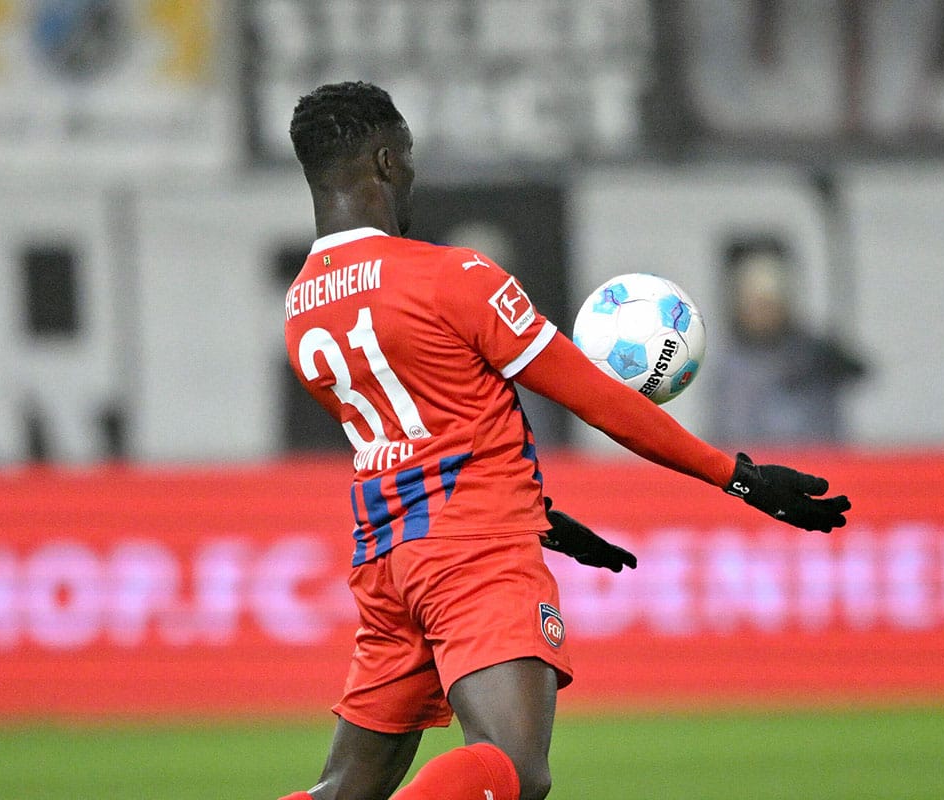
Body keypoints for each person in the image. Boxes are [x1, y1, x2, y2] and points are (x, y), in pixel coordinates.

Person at [278, 82, 850, 800]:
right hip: (472, 552)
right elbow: (595, 395)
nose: (415, 174)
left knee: (343, 789)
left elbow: (424, 433)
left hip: (389, 564)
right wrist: (736, 475)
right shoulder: (450, 277)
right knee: (511, 767)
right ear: (386, 161)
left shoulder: (303, 309)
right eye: (411, 157)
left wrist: (538, 514)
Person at [709, 248, 867, 446]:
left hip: (815, 467)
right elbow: (727, 432)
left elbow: (859, 372)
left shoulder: (814, 356)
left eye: (770, 304)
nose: (763, 314)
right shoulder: (730, 367)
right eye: (756, 304)